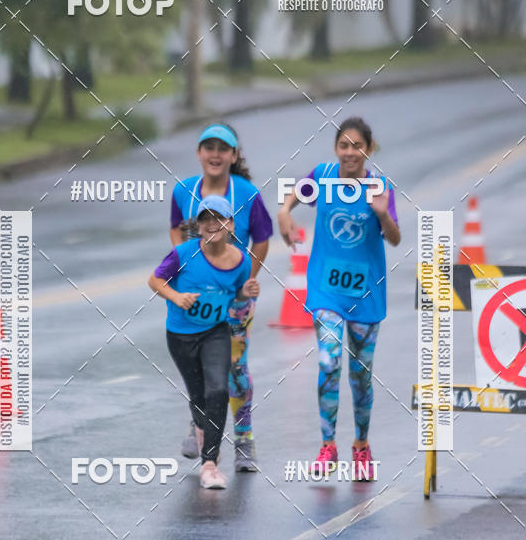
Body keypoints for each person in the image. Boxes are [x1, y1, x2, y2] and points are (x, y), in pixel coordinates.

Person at [277, 117, 401, 480]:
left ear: (369, 149)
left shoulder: (379, 187)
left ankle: (361, 446)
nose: (350, 152)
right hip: (326, 289)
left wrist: (382, 213)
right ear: (336, 149)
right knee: (330, 362)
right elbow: (295, 194)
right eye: (344, 145)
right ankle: (327, 446)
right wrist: (284, 213)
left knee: (360, 376)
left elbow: (394, 238)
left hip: (365, 292)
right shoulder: (323, 175)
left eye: (357, 146)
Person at [169, 122, 272, 471]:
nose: (215, 154)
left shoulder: (246, 193)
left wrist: (244, 282)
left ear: (233, 155)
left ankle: (244, 440)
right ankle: (199, 426)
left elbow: (262, 238)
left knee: (234, 368)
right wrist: (184, 270)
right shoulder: (184, 190)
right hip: (196, 299)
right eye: (208, 147)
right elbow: (176, 229)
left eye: (222, 148)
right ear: (199, 153)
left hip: (235, 299)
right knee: (198, 367)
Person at [150, 195, 260, 489]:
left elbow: (235, 295)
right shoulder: (183, 254)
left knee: (218, 390)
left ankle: (209, 464)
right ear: (198, 226)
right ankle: (202, 429)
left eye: (219, 218)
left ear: (230, 224)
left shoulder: (241, 260)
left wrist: (245, 293)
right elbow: (155, 280)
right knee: (198, 397)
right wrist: (176, 297)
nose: (213, 224)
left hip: (216, 332)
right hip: (181, 335)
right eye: (206, 219)